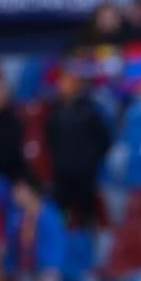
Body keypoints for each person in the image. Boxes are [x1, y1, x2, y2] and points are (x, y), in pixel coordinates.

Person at [44, 71, 111, 232]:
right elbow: (51, 140)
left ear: (76, 86)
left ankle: (89, 242)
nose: (64, 87)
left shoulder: (89, 111)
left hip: (84, 172)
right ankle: (62, 234)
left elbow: (103, 140)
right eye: (61, 83)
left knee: (86, 210)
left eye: (68, 83)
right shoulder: (55, 112)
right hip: (62, 173)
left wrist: (90, 161)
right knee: (62, 211)